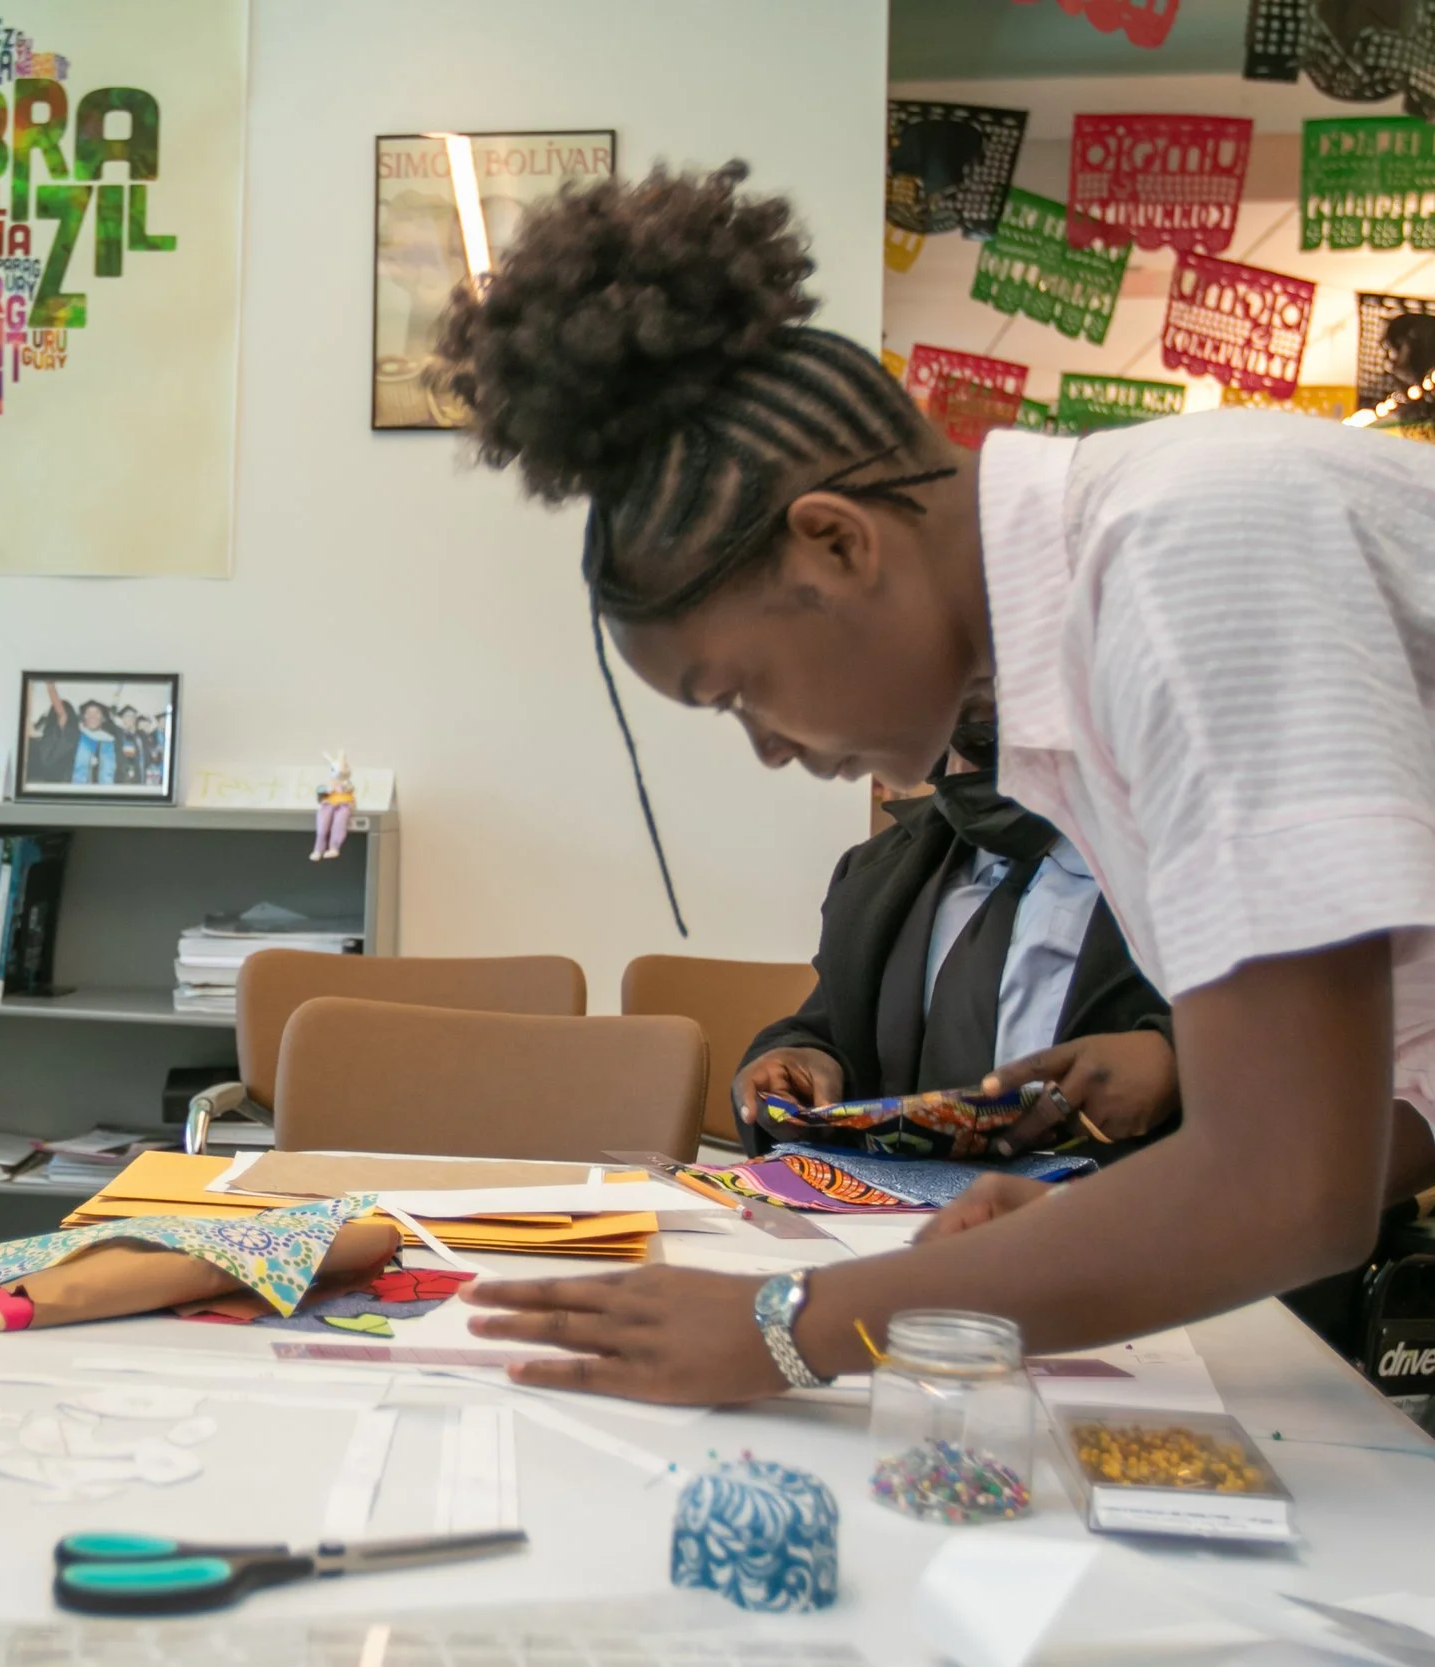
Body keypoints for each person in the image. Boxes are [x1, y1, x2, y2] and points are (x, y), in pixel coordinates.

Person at [434, 164, 1435, 1403]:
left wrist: (792, 1323)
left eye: (737, 689)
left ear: (837, 542)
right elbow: (1386, 1102)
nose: (768, 748)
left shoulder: (1186, 551)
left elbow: (1291, 1185)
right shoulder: (1081, 687)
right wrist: (1097, 1226)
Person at [735, 714, 1176, 1158]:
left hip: (1121, 1211)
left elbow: (1238, 1047)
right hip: (889, 1217)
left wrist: (1177, 1065)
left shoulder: (1193, 871)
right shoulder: (877, 879)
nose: (960, 774)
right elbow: (827, 1027)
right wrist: (791, 1061)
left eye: (988, 746)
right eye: (952, 749)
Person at [27, 683, 79, 785]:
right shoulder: (56, 734)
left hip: (55, 780)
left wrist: (50, 686)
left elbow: (61, 713)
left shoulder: (67, 733)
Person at [72, 699, 119, 785]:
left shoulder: (111, 741)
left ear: (103, 718)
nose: (92, 716)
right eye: (88, 713)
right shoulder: (75, 739)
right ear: (84, 716)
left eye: (97, 713)